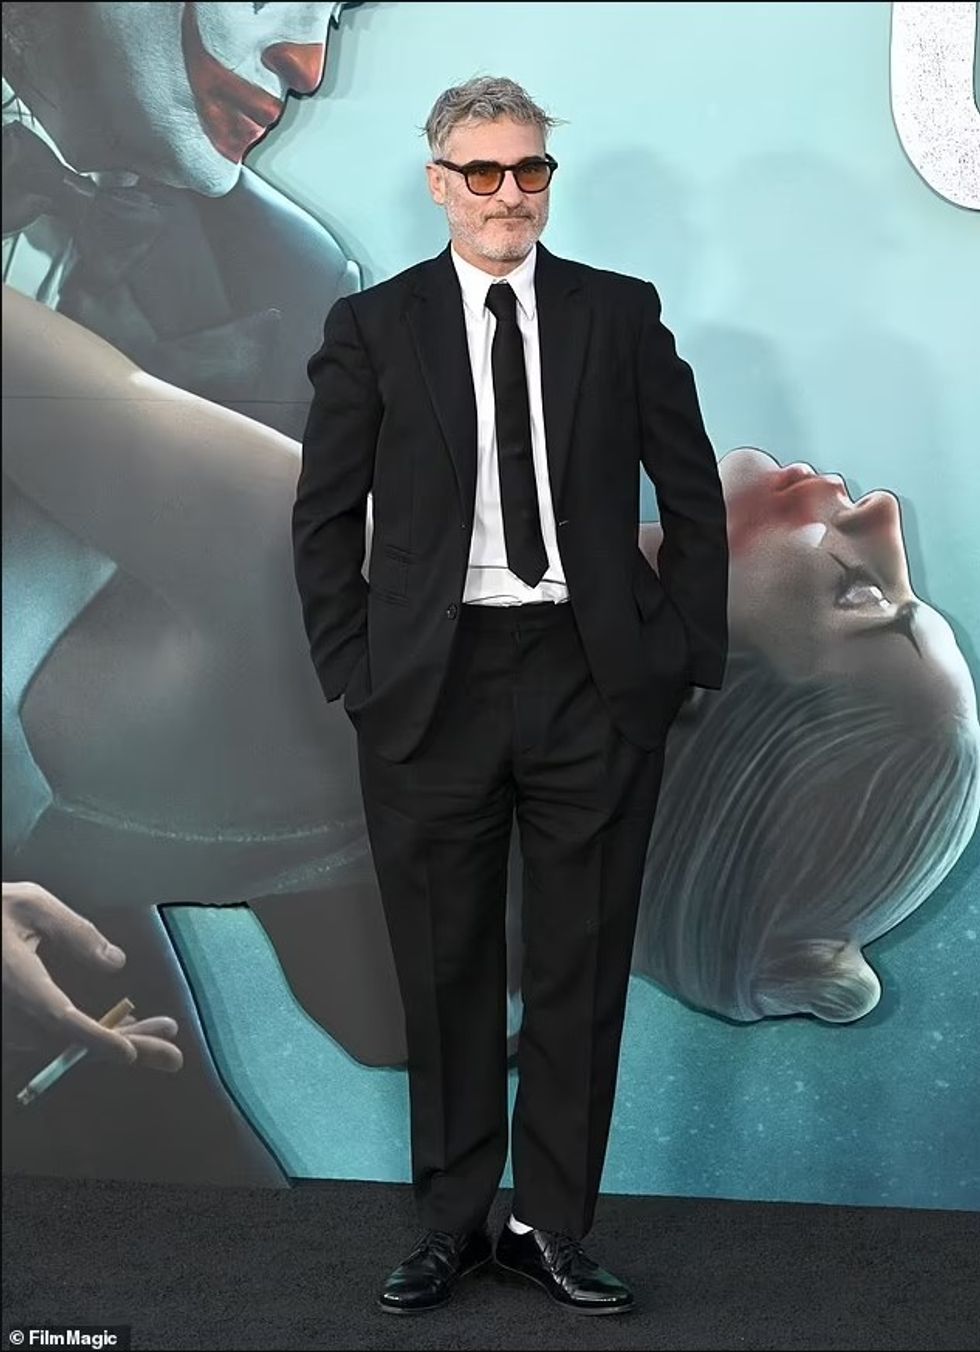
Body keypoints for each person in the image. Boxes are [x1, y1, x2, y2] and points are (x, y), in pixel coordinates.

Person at [292, 76, 729, 1316]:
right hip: (428, 687)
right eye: (482, 173)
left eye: (528, 170)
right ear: (440, 184)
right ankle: (450, 1223)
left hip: (591, 678)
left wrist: (677, 654)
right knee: (444, 967)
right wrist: (354, 673)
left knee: (579, 965)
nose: (508, 195)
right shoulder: (373, 326)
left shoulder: (617, 313)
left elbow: (691, 495)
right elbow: (322, 518)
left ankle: (549, 1224)